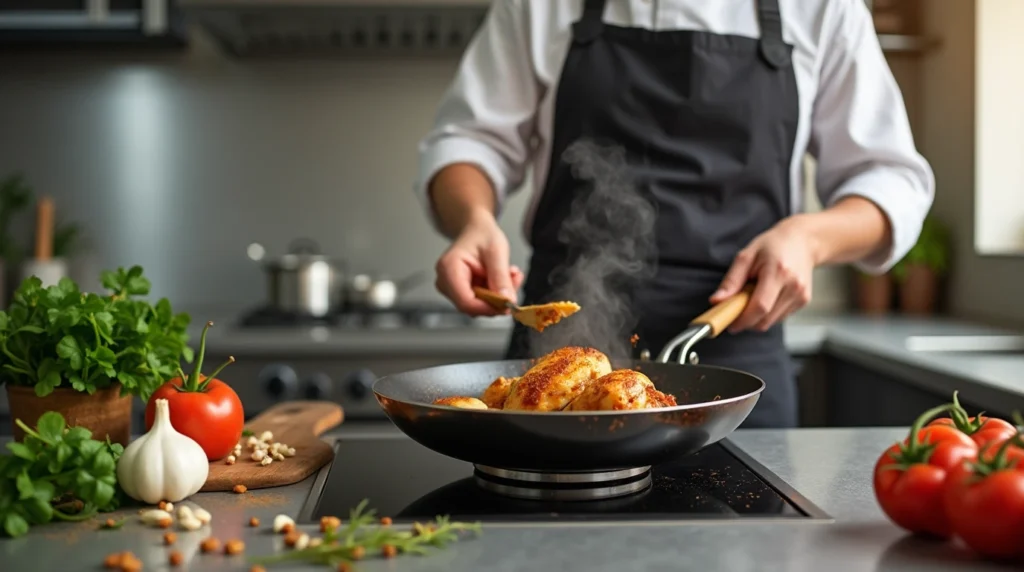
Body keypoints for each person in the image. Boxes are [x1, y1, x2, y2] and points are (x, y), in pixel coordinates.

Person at [413, 0, 934, 428]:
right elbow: (468, 142)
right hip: (558, 346)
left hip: (736, 359)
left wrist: (810, 238)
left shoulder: (821, 8)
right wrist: (474, 220)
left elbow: (892, 182)